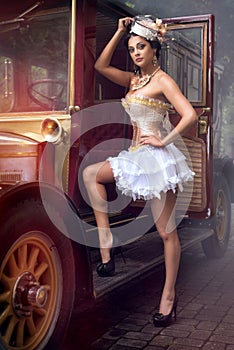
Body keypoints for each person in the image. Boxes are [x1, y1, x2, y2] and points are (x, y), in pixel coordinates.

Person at [83, 15, 198, 327]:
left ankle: (169, 296)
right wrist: (120, 31)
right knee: (91, 173)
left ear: (154, 49)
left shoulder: (162, 81)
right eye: (132, 48)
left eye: (141, 47)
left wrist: (165, 139)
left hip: (158, 159)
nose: (135, 53)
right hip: (134, 156)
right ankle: (107, 248)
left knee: (165, 231)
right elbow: (100, 67)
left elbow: (189, 115)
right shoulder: (134, 81)